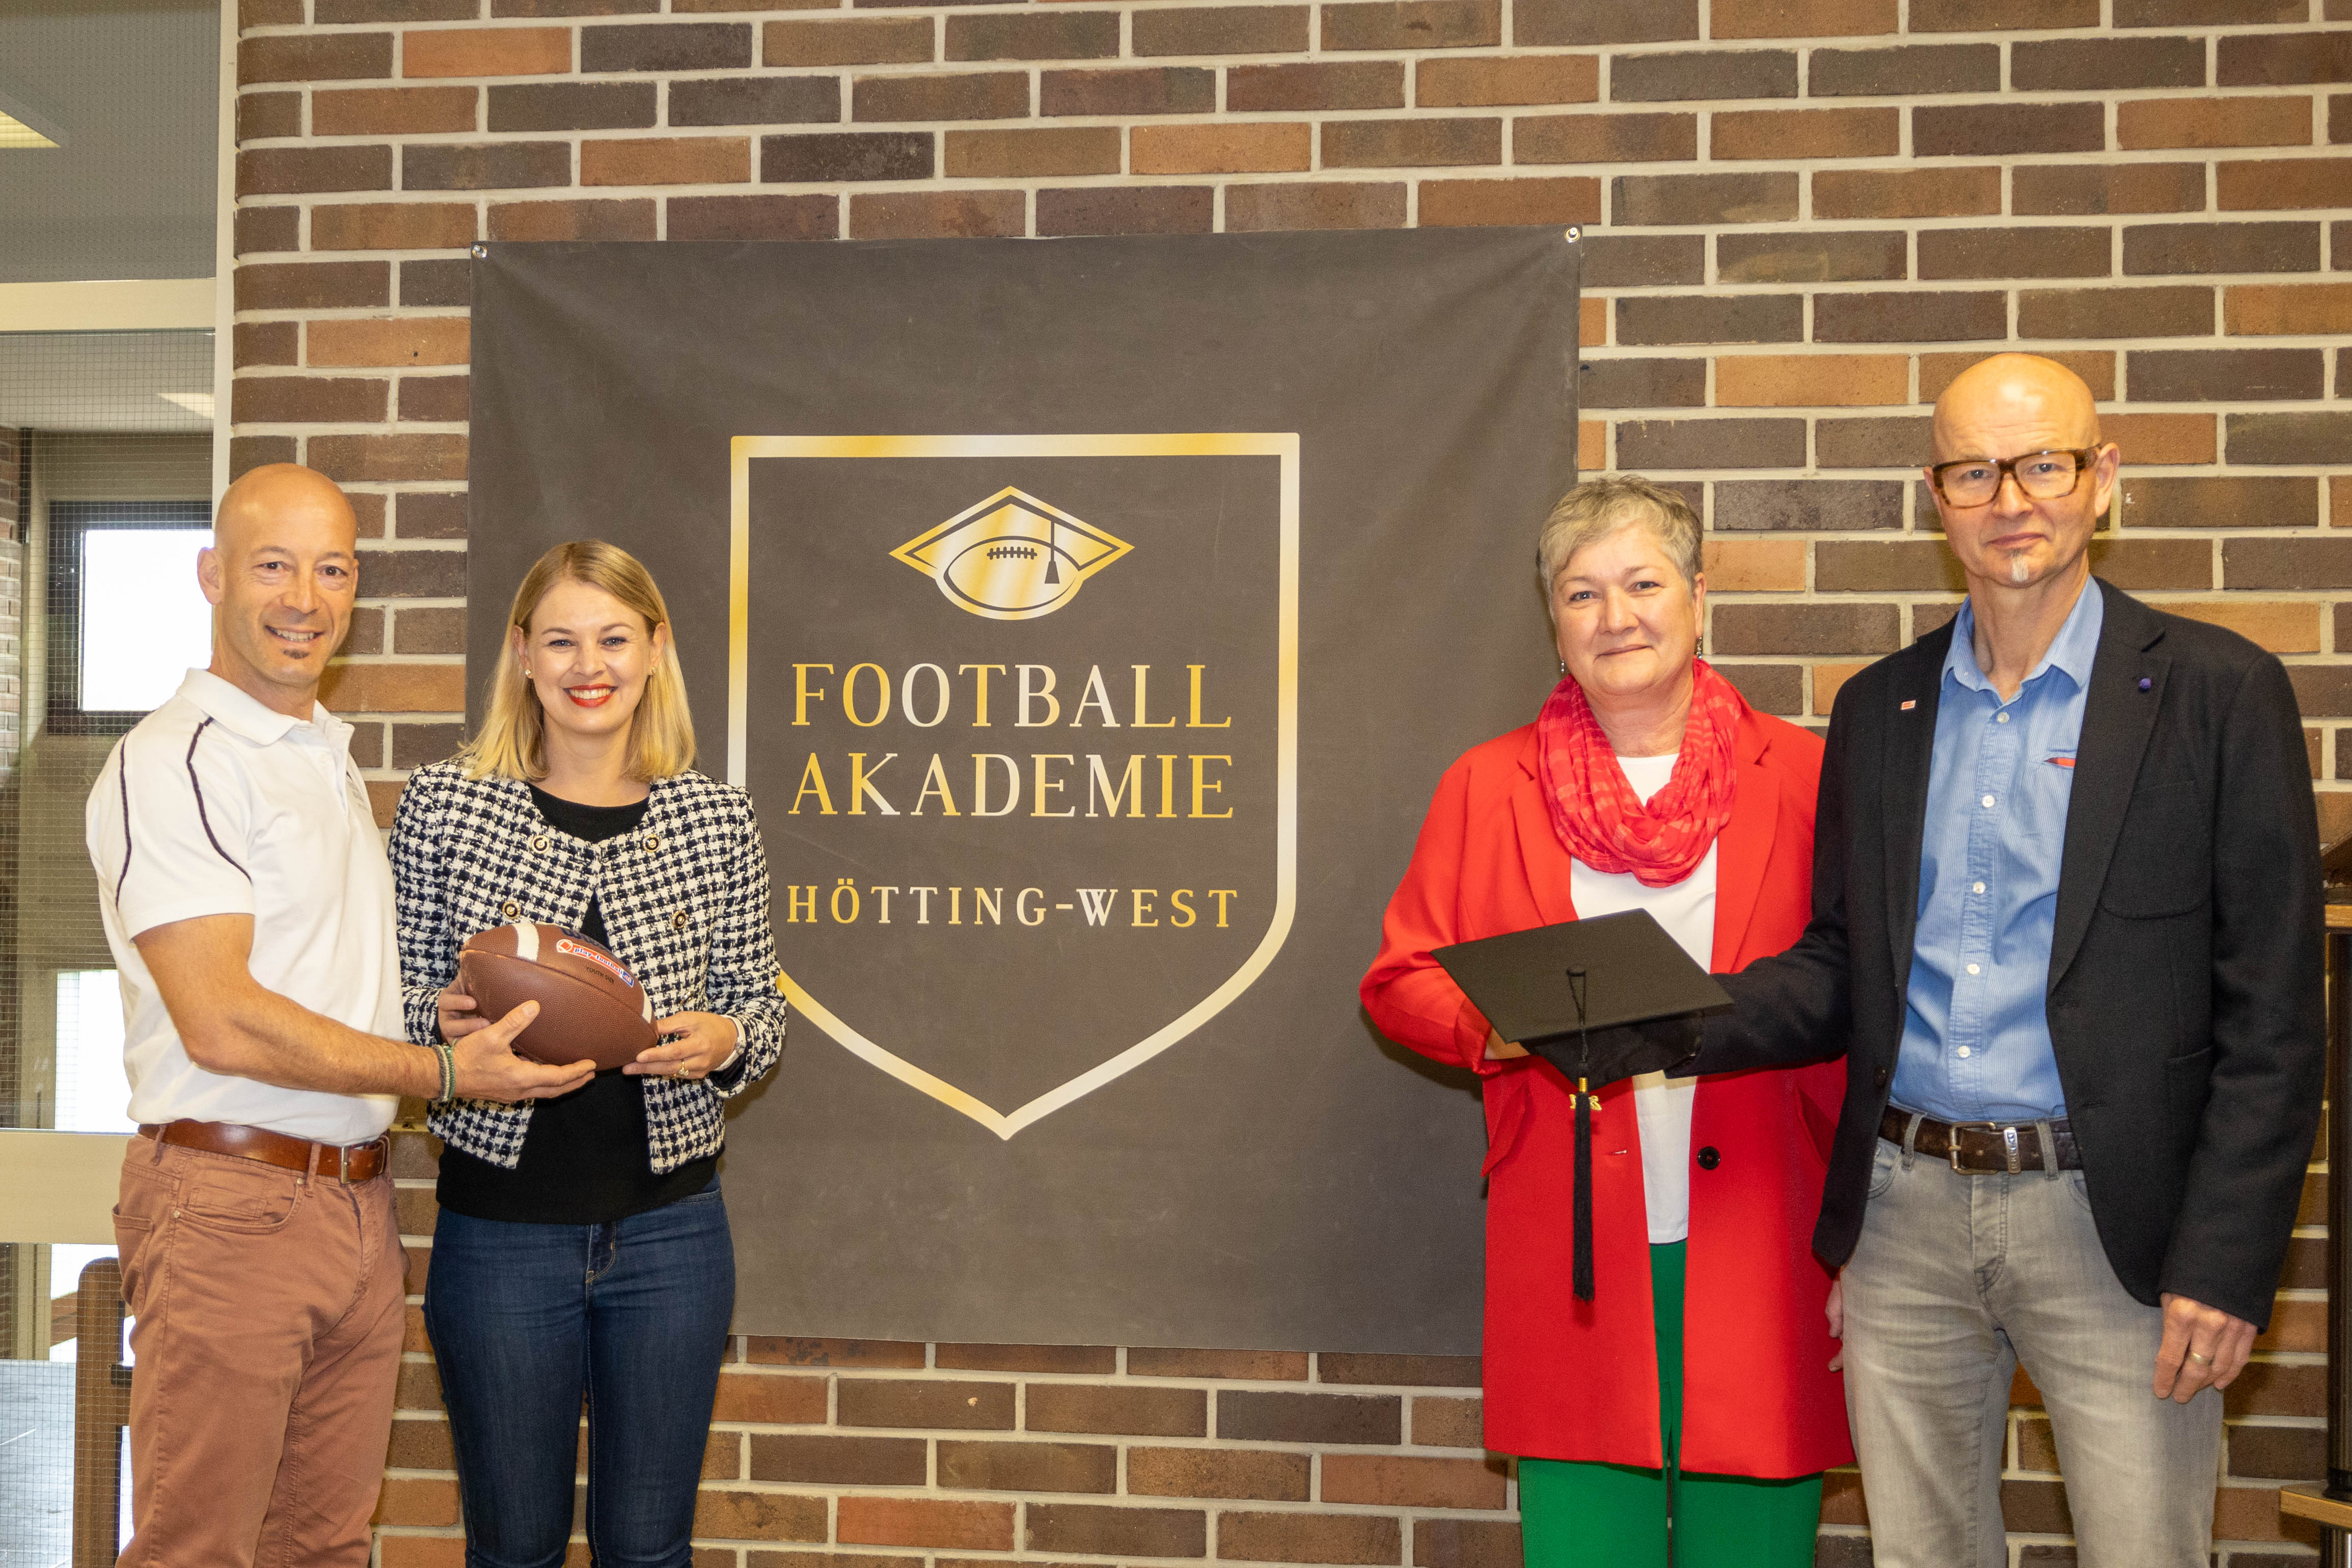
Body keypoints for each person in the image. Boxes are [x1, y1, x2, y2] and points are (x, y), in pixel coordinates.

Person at [1694, 353, 2324, 1568]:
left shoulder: (2215, 694)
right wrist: (1651, 1014)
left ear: (2102, 479)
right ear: (1936, 497)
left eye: (2043, 464)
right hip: (1904, 1219)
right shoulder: (1880, 708)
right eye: (1974, 471)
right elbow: (1839, 967)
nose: (2010, 500)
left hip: (2117, 1233)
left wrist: (2226, 1263)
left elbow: (2274, 1020)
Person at [83, 463, 588, 1567]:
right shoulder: (175, 763)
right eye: (272, 564)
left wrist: (445, 1024)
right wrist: (444, 1077)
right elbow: (221, 1021)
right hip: (228, 1204)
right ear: (213, 574)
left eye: (331, 569)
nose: (303, 597)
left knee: (324, 1545)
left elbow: (320, 983)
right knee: (197, 1549)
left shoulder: (319, 756)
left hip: (353, 1208)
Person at [1362, 476, 1850, 1568]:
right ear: (1553, 623)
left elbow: (1861, 988)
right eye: (1581, 593)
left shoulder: (1813, 776)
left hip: (1765, 1230)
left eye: (1641, 583)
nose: (1614, 615)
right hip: (1570, 1243)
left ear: (1698, 597)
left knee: (1752, 1552)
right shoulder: (1486, 785)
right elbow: (1398, 977)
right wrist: (1487, 1028)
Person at [391, 539, 785, 1567]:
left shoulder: (716, 815)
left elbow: (759, 1010)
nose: (586, 664)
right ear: (521, 654)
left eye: (612, 637)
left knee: (648, 1550)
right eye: (559, 640)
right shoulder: (446, 805)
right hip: (499, 1233)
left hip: (673, 1234)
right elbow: (387, 998)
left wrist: (725, 1038)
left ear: (655, 648)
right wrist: (440, 1020)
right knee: (512, 1548)